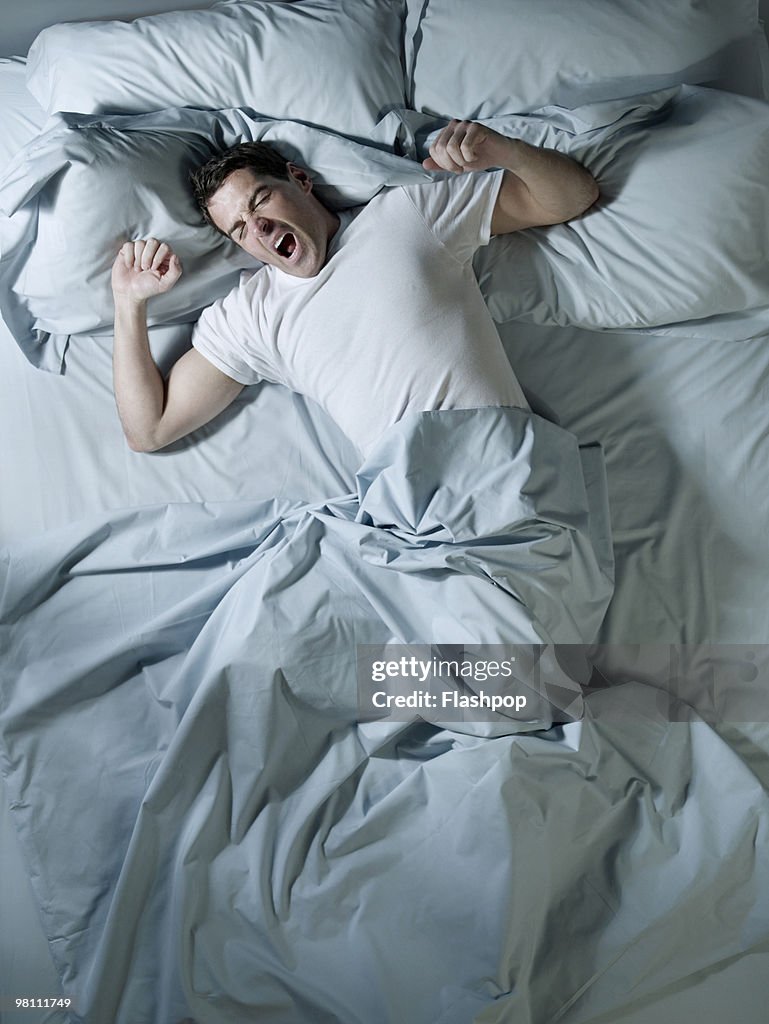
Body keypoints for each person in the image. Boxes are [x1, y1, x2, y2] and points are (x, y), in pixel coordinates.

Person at [110, 120, 599, 455]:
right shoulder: (249, 317)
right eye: (239, 229)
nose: (257, 228)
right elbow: (149, 430)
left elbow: (573, 196)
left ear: (300, 180)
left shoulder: (407, 213)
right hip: (405, 511)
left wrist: (505, 151)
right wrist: (128, 304)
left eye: (261, 201)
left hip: (502, 459)